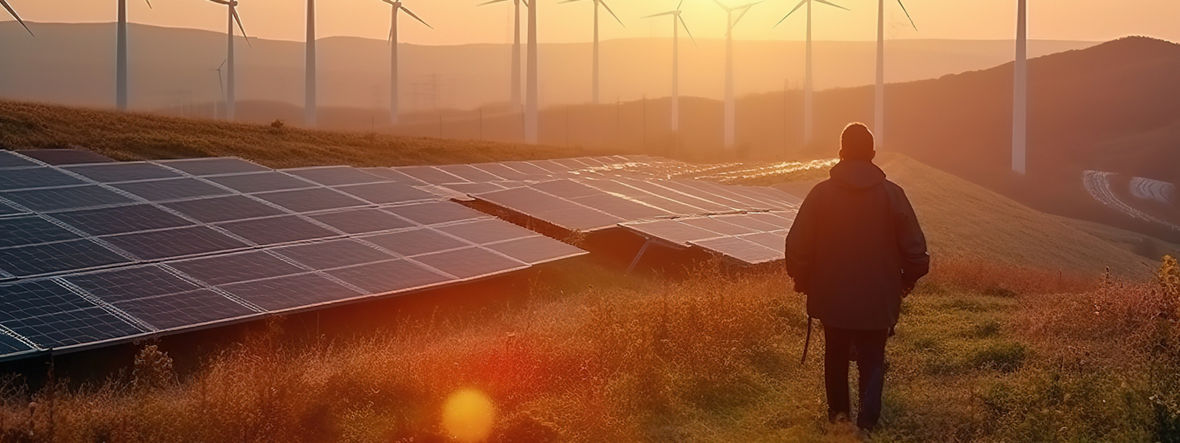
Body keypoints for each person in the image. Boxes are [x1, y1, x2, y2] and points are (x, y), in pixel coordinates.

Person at [784, 122, 930, 432]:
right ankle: (867, 423)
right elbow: (915, 249)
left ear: (840, 153)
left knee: (835, 357)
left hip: (831, 297)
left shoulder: (820, 195)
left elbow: (797, 244)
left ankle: (839, 420)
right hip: (879, 299)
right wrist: (907, 280)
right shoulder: (894, 196)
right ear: (873, 154)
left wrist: (803, 279)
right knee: (873, 357)